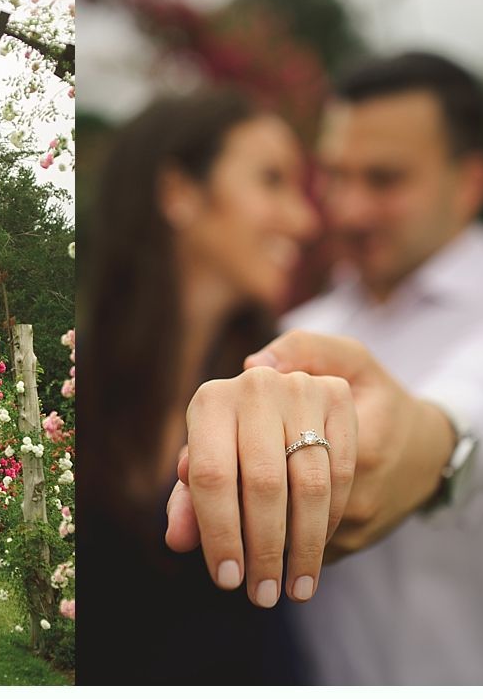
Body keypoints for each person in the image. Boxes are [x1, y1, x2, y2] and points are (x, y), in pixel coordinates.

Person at [167, 52, 483, 684]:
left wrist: (425, 442)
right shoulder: (294, 332)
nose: (346, 209)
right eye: (334, 176)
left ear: (472, 183)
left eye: (383, 180)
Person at [78, 89, 358, 684]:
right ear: (179, 192)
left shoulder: (290, 380)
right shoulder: (78, 374)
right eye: (272, 180)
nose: (307, 220)